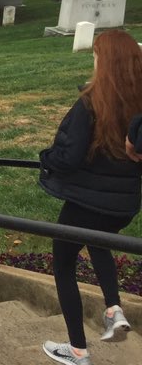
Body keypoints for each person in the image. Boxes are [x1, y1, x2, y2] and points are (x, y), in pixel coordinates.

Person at [39, 30, 142, 365]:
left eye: (97, 54)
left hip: (87, 201)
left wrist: (46, 159)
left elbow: (67, 155)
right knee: (99, 242)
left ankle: (77, 349)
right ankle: (113, 308)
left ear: (105, 60)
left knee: (64, 263)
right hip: (122, 204)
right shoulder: (138, 101)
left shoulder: (91, 101)